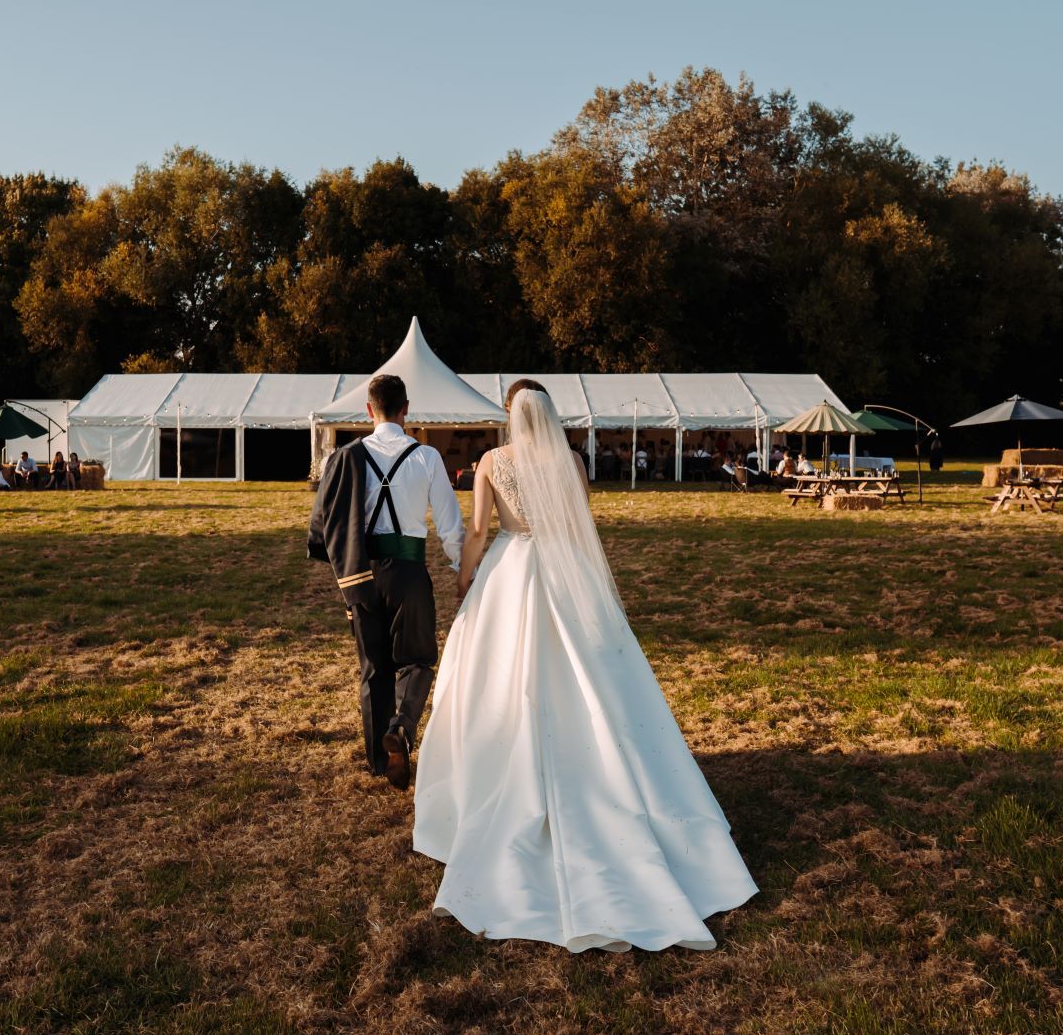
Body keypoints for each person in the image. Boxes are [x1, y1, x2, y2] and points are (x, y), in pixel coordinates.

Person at [414, 381, 757, 952]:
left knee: (501, 680)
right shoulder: (571, 460)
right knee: (595, 678)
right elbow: (579, 522)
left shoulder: (492, 462)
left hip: (511, 570)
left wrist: (464, 577)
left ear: (509, 415)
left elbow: (477, 531)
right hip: (566, 570)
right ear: (549, 414)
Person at [307, 374, 464, 789]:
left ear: (368, 410)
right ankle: (402, 727)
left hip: (360, 572)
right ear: (406, 408)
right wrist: (464, 568)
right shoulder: (427, 457)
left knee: (373, 668)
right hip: (409, 572)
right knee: (415, 659)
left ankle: (379, 761)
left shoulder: (342, 457)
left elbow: (322, 524)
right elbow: (451, 528)